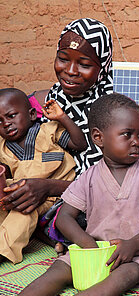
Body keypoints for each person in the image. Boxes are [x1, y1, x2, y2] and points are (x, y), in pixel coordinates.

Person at [20, 93, 139, 295]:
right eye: (127, 134)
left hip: (135, 256)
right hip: (90, 251)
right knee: (57, 271)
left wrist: (133, 244)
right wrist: (88, 245)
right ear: (98, 137)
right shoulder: (89, 177)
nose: (136, 141)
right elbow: (64, 217)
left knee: (120, 278)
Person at [0, 18, 113, 234]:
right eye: (63, 59)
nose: (70, 70)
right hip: (42, 194)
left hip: (89, 202)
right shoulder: (48, 100)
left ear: (103, 67)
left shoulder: (112, 112)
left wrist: (47, 187)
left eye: (85, 64)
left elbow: (108, 185)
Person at [0, 88, 86, 264]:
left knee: (23, 212)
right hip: (22, 194)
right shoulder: (3, 147)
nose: (6, 124)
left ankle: (3, 250)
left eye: (11, 116)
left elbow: (80, 143)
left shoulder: (48, 131)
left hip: (57, 197)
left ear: (32, 114)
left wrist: (62, 117)